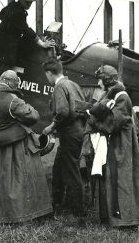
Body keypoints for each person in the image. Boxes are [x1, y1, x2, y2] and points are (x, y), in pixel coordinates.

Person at [0, 70, 53, 223]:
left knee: (0, 179)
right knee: (21, 177)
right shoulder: (14, 100)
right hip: (16, 144)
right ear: (13, 83)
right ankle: (21, 213)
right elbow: (33, 116)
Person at [86, 65, 139, 227]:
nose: (98, 83)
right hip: (113, 143)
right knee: (112, 178)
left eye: (100, 80)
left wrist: (91, 117)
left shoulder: (122, 97)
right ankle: (112, 216)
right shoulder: (111, 95)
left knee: (122, 179)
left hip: (121, 144)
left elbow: (111, 124)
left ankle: (128, 218)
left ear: (107, 80)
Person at [0, 0, 55, 111]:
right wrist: (42, 44)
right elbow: (26, 29)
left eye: (31, 3)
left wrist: (10, 27)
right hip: (4, 50)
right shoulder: (18, 13)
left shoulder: (13, 7)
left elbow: (1, 14)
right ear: (22, 0)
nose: (29, 5)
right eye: (27, 2)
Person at [41, 59, 86, 216]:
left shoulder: (59, 86)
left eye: (46, 75)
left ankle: (78, 212)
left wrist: (51, 127)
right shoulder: (73, 85)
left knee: (72, 172)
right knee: (58, 168)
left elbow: (62, 112)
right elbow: (84, 107)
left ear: (49, 73)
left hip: (69, 134)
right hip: (78, 132)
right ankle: (56, 203)